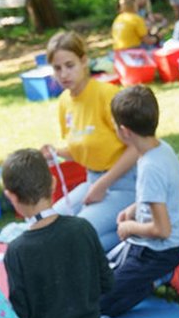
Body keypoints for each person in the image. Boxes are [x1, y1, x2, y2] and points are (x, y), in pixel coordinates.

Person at [1, 149, 160, 318]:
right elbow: (106, 282)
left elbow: (22, 312)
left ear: (11, 196)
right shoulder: (81, 227)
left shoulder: (16, 251)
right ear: (53, 183)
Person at [42, 31, 138, 251]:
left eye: (69, 65)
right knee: (46, 224)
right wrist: (55, 152)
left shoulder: (107, 94)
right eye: (57, 68)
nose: (64, 74)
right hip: (92, 181)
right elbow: (83, 148)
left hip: (125, 184)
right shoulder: (64, 102)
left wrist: (102, 185)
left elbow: (136, 147)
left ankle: (135, 230)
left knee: (76, 237)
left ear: (84, 61)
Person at [99, 85, 179, 318]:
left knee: (99, 304)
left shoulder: (150, 166)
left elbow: (162, 229)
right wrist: (135, 208)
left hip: (159, 251)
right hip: (160, 246)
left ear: (124, 131)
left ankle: (164, 275)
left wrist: (129, 228)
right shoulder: (163, 149)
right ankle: (152, 279)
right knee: (104, 277)